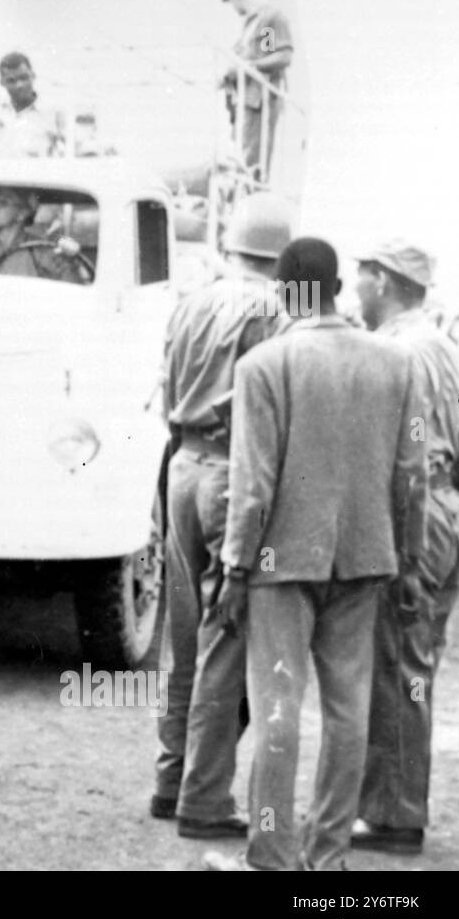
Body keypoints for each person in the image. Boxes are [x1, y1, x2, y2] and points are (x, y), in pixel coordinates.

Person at [203, 237, 428, 871]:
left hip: (279, 562)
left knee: (277, 708)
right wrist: (407, 564)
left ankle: (271, 852)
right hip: (364, 559)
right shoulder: (396, 366)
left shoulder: (264, 367)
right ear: (333, 286)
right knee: (348, 711)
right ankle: (327, 856)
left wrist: (233, 568)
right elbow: (412, 472)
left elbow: (254, 484)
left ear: (286, 290)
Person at [153, 192, 293, 835]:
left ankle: (170, 777)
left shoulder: (192, 300)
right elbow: (272, 414)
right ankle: (204, 799)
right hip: (229, 474)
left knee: (183, 640)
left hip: (180, 465)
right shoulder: (274, 310)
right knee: (224, 642)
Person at [352, 240, 459, 855]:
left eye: (362, 277)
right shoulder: (443, 346)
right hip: (445, 512)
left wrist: (409, 545)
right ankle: (391, 805)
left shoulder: (402, 351)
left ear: (385, 281)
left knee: (399, 667)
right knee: (413, 663)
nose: (354, 290)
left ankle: (395, 817)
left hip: (416, 515)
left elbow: (413, 460)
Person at [221, 0, 294, 181]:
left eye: (231, 2)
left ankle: (251, 196)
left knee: (251, 161)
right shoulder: (252, 24)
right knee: (239, 157)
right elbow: (264, 54)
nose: (233, 8)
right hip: (243, 102)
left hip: (258, 102)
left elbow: (280, 56)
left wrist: (249, 68)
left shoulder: (269, 19)